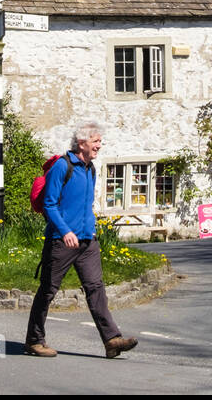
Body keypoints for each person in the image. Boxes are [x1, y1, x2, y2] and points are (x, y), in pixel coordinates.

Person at [24, 122, 138, 359]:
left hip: (87, 240)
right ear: (81, 143)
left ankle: (112, 340)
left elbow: (85, 205)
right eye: (95, 141)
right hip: (61, 240)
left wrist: (91, 229)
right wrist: (65, 231)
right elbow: (49, 204)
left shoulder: (90, 169)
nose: (99, 145)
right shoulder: (61, 167)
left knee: (96, 288)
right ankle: (34, 340)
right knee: (48, 290)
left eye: (99, 141)